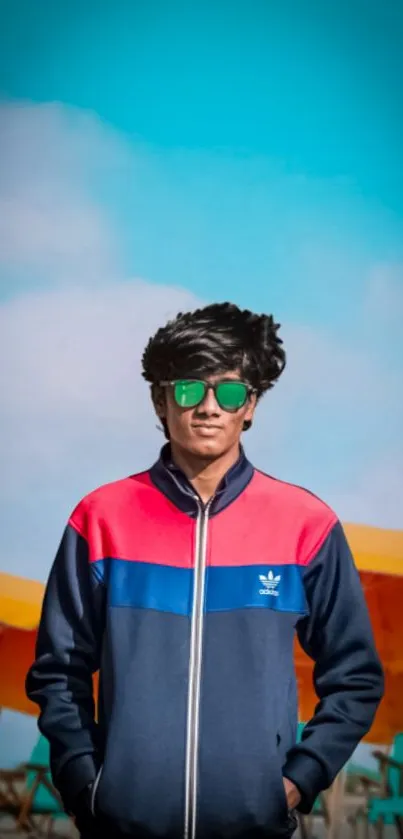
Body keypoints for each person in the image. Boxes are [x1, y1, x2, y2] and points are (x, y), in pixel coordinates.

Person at [26, 302, 384, 839]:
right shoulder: (100, 520)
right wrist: (86, 783)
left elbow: (355, 677)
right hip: (123, 826)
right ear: (161, 399)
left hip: (253, 826)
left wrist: (295, 781)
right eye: (190, 388)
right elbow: (59, 672)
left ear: (251, 406)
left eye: (231, 392)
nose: (209, 407)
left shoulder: (306, 525)